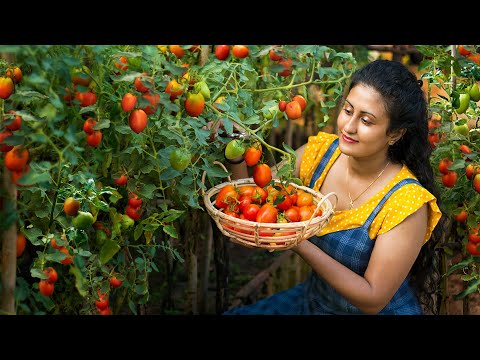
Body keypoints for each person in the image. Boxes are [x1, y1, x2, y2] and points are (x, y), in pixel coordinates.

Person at [224, 59, 444, 315]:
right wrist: (236, 153)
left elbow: (372, 299)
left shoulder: (406, 202)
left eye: (367, 121)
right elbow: (254, 199)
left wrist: (297, 240)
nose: (349, 127)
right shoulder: (319, 155)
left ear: (395, 134)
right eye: (348, 111)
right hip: (315, 303)